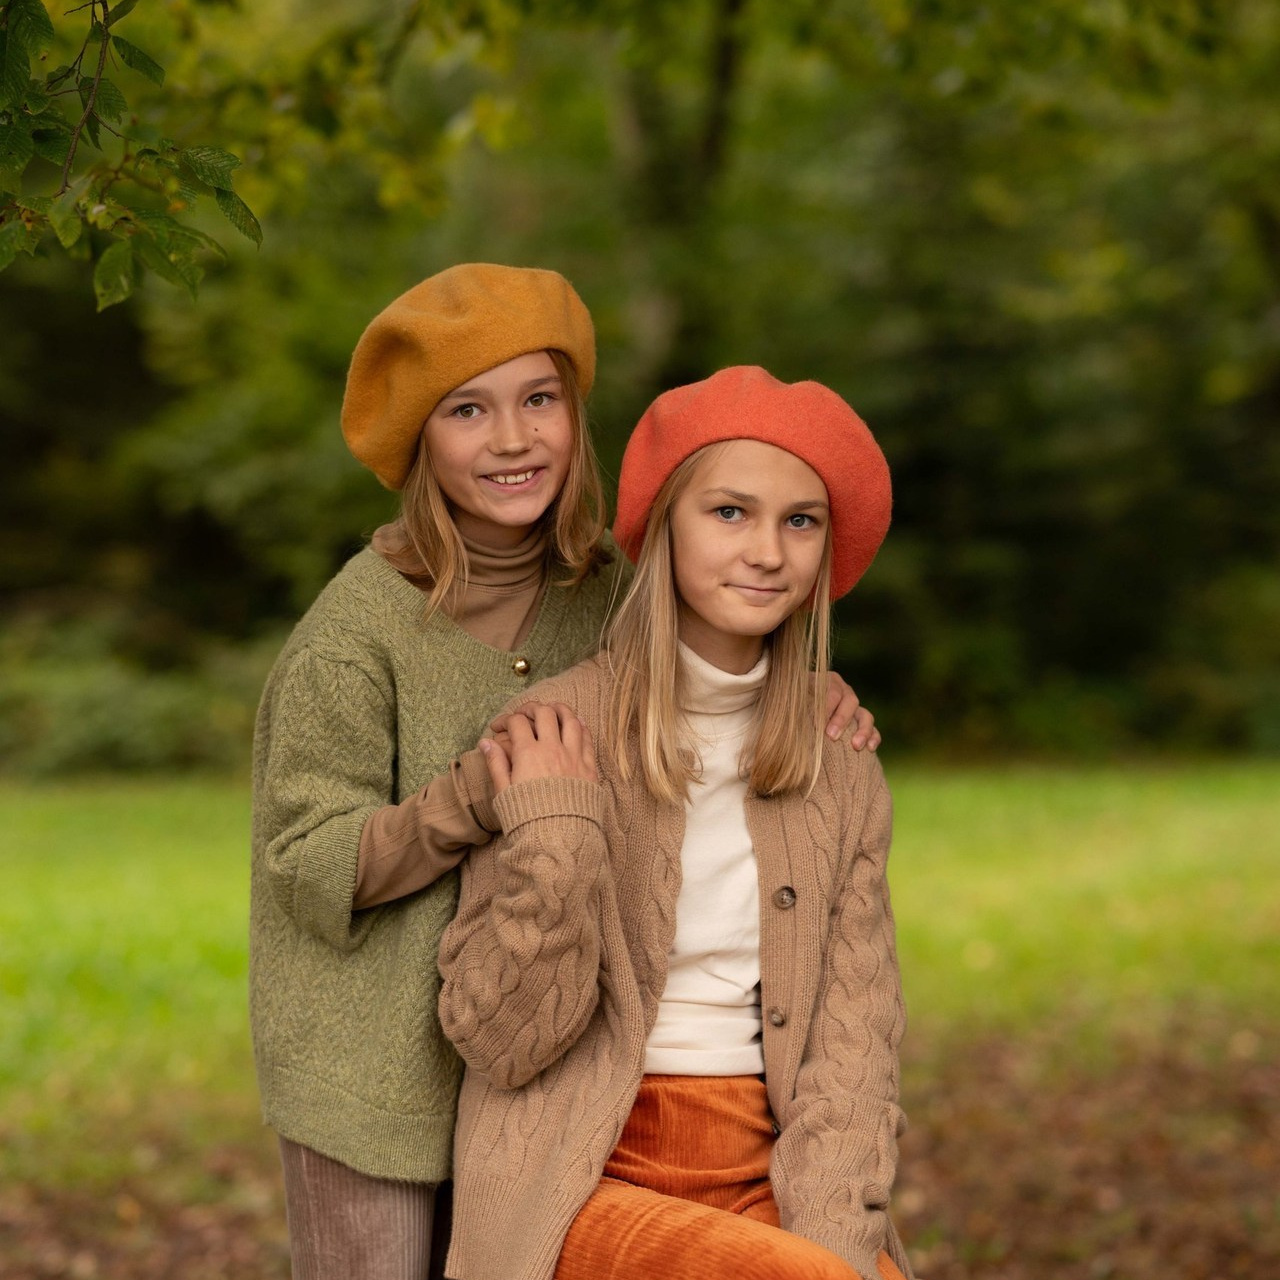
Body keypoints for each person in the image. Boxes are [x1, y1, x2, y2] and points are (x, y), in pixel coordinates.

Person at [249, 268, 881, 1280]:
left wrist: (808, 690)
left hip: (557, 1060)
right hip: (379, 1068)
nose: (512, 439)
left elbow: (713, 626)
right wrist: (474, 798)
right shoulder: (352, 638)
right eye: (468, 410)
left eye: (538, 400)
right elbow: (306, 863)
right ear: (420, 442)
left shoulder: (605, 593)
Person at [439, 365, 912, 1280]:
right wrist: (558, 830)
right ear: (665, 527)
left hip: (769, 1164)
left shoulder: (839, 760)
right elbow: (500, 1040)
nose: (768, 551)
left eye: (799, 520)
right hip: (577, 1173)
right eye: (730, 512)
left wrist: (840, 1245)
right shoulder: (551, 734)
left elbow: (857, 1052)